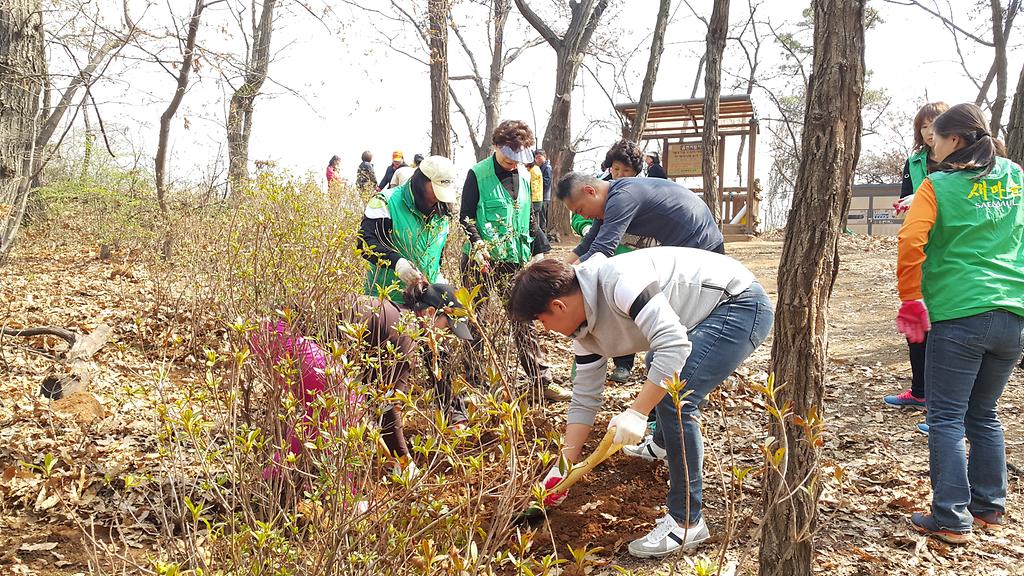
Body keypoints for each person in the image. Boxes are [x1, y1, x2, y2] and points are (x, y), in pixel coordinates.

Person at [508, 248, 773, 558]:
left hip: (738, 304)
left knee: (675, 397)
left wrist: (637, 412)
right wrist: (563, 466)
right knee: (657, 368)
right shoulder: (583, 330)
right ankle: (662, 444)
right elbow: (585, 397)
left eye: (542, 320)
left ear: (558, 306)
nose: (545, 329)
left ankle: (687, 522)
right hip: (700, 315)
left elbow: (674, 344)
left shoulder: (620, 283)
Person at [896, 103, 1024, 544]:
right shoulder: (1015, 176)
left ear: (953, 140)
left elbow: (911, 241)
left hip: (959, 313)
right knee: (983, 413)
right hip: (1012, 313)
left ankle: (951, 517)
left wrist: (911, 298)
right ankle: (989, 507)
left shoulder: (937, 185)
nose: (931, 147)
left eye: (935, 139)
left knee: (947, 417)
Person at [251, 280, 475, 476]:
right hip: (286, 334)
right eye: (447, 327)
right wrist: (404, 461)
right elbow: (387, 404)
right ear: (430, 313)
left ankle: (276, 475)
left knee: (323, 412)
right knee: (345, 405)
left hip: (267, 331)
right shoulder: (405, 335)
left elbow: (378, 396)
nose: (445, 335)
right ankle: (347, 499)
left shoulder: (396, 316)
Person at [459, 119, 570, 402]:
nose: (512, 162)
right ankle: (476, 383)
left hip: (513, 259)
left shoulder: (524, 175)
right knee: (476, 320)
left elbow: (529, 216)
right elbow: (465, 217)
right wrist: (478, 243)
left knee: (524, 318)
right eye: (508, 155)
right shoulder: (477, 174)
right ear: (496, 146)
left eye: (517, 157)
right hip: (479, 261)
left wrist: (539, 248)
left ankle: (540, 380)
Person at [883, 102, 949, 414]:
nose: (929, 132)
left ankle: (947, 409)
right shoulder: (914, 161)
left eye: (935, 124)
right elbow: (906, 199)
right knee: (916, 321)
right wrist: (909, 203)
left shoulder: (964, 161)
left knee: (947, 325)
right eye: (923, 126)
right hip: (921, 246)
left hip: (951, 248)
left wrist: (923, 196)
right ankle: (920, 391)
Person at [570, 139, 646, 384]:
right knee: (592, 310)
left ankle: (623, 364)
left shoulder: (639, 192)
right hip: (599, 259)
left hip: (629, 260)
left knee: (625, 312)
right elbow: (579, 217)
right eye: (616, 169)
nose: (619, 174)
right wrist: (585, 228)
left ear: (636, 172)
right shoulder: (598, 188)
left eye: (626, 170)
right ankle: (586, 366)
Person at [557, 172, 724, 265]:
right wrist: (562, 269)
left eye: (580, 210)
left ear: (590, 191)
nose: (585, 216)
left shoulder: (622, 197)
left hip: (703, 246)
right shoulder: (609, 202)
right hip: (684, 251)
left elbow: (602, 250)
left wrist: (565, 279)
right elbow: (588, 244)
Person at [359, 155, 456, 304]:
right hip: (385, 302)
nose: (438, 197)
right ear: (422, 182)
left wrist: (439, 283)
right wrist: (397, 263)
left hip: (424, 304)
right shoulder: (386, 202)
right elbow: (366, 244)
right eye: (436, 190)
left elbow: (437, 257)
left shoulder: (442, 213)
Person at [528, 157, 551, 259]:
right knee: (534, 223)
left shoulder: (533, 171)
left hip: (534, 199)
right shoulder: (535, 169)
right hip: (536, 198)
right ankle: (543, 246)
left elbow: (532, 186)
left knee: (533, 223)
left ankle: (543, 246)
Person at [535, 149, 553, 234]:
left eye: (539, 157)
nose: (538, 159)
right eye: (536, 158)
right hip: (539, 196)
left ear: (544, 157)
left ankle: (543, 236)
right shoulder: (539, 167)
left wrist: (535, 182)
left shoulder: (547, 167)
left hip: (544, 196)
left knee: (542, 218)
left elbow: (546, 182)